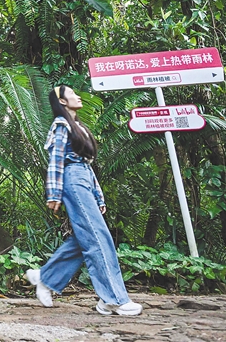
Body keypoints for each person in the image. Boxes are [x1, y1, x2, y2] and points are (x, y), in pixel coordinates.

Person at [25, 85, 142, 316]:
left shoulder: (79, 127)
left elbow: (87, 166)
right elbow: (57, 160)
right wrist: (54, 193)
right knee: (98, 237)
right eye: (71, 93)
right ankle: (114, 299)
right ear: (62, 101)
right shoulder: (61, 125)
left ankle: (45, 277)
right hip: (72, 180)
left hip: (83, 179)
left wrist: (98, 195)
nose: (77, 95)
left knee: (85, 238)